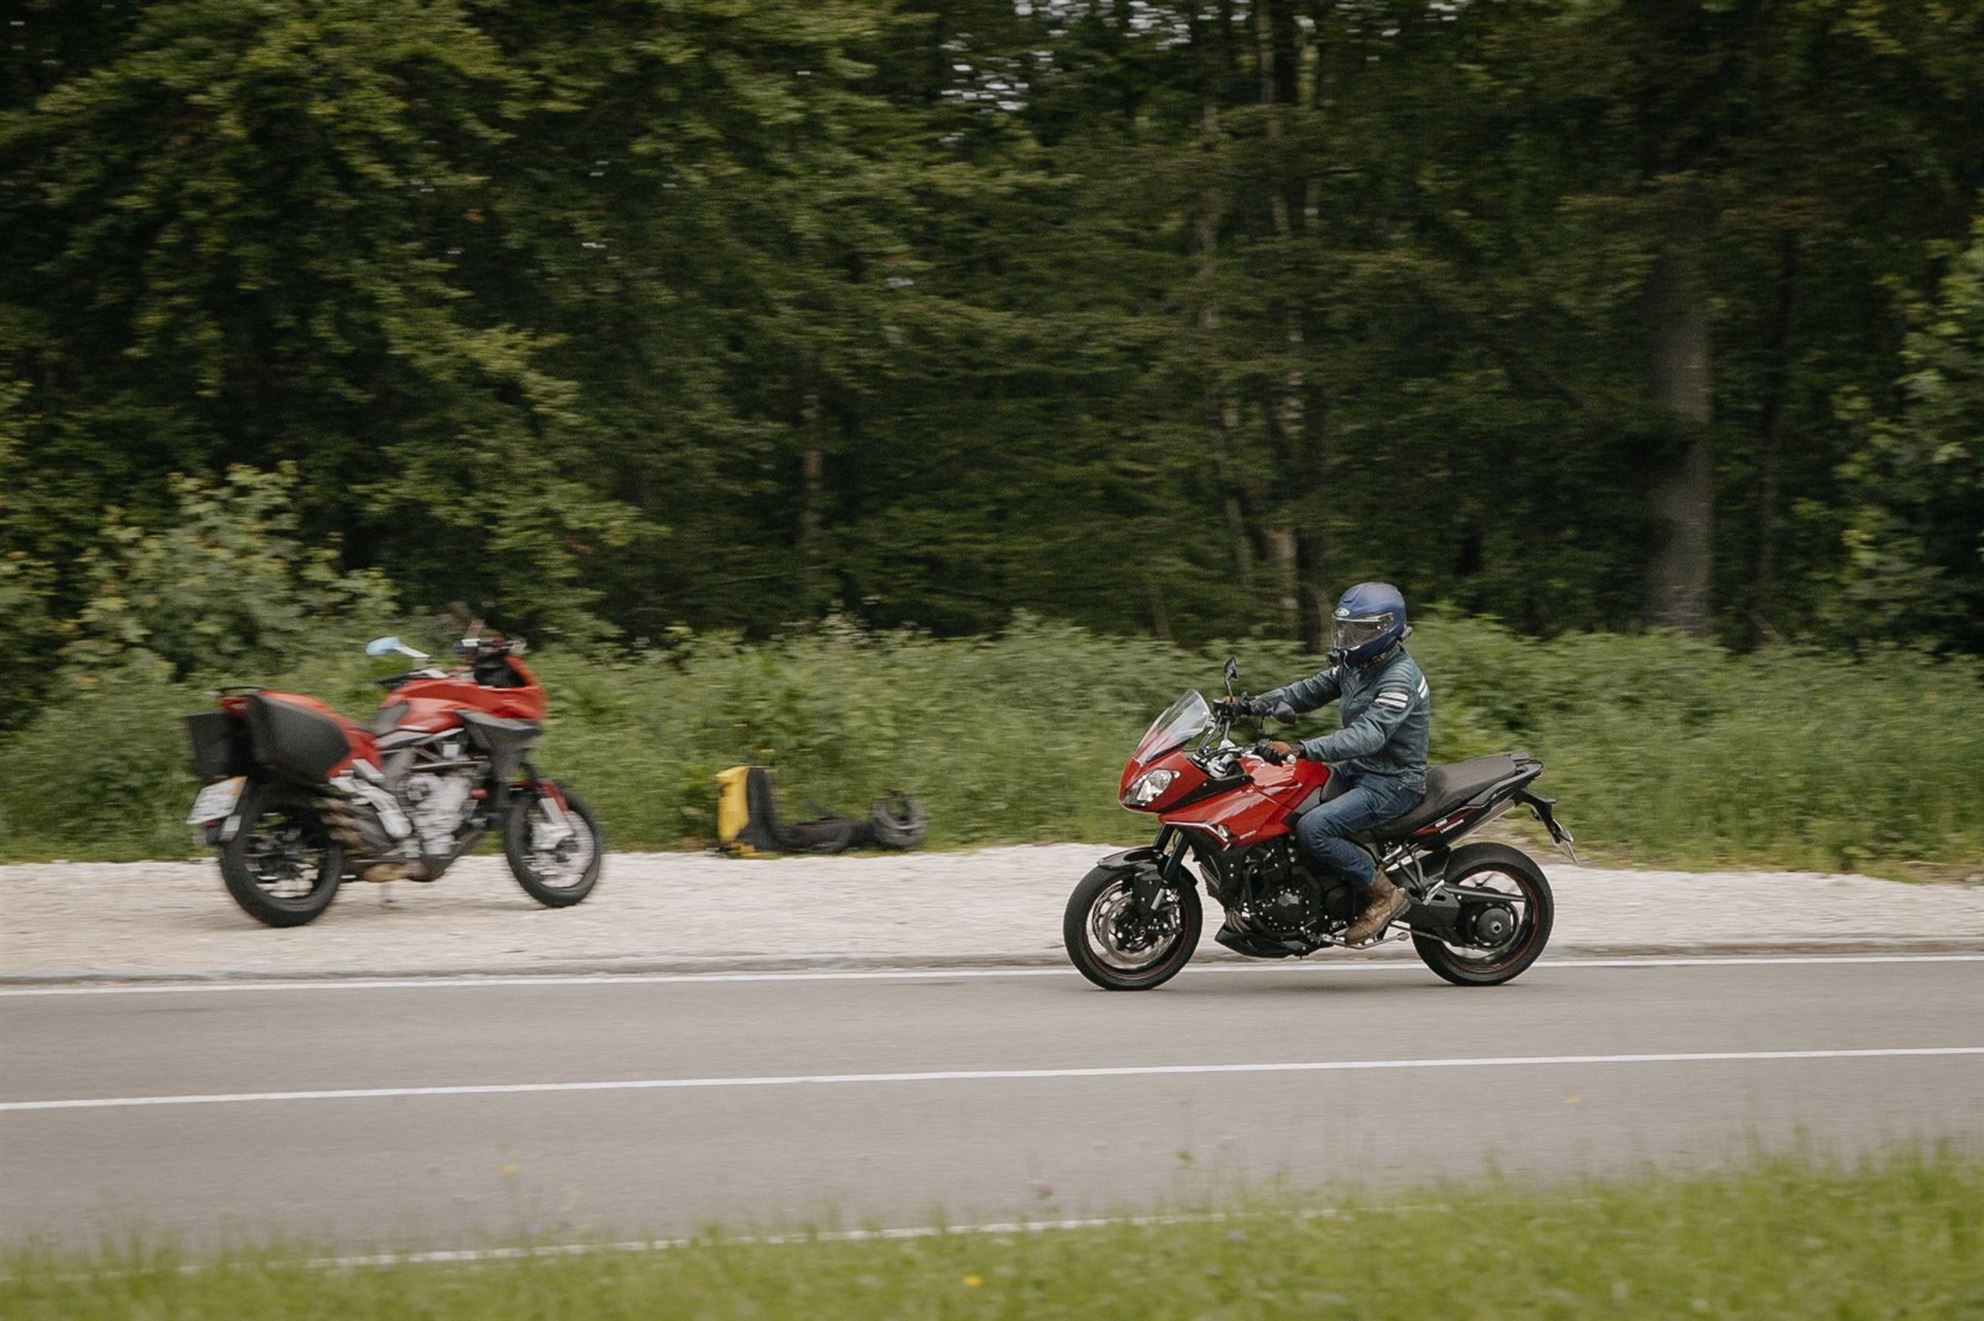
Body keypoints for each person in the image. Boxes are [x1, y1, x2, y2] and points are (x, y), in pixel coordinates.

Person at [1218, 582, 1430, 944]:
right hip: (1360, 770)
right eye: (1344, 628)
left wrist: (1302, 748)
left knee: (1315, 828)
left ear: (1386, 629)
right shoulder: (1356, 665)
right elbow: (1305, 691)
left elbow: (1369, 735)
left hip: (1393, 782)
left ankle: (1384, 894)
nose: (1347, 637)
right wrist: (1248, 706)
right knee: (1285, 804)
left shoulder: (1399, 679)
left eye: (1359, 630)